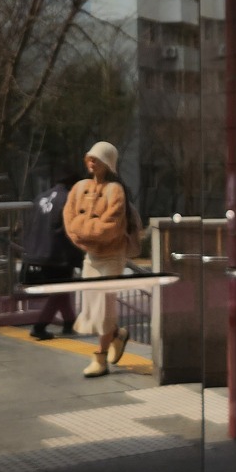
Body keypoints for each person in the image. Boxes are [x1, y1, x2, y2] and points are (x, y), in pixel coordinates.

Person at [62, 141, 131, 378]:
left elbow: (109, 229)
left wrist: (83, 229)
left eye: (97, 158)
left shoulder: (115, 190)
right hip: (91, 256)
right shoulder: (79, 188)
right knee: (92, 306)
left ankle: (100, 358)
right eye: (89, 157)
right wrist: (86, 233)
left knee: (103, 308)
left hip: (112, 256)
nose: (91, 161)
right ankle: (117, 335)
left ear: (108, 163)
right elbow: (69, 221)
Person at [23, 171, 80, 341]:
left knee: (61, 290)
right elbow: (71, 229)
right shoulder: (69, 199)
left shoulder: (40, 197)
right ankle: (39, 326)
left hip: (38, 250)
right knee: (59, 291)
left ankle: (69, 322)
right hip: (59, 252)